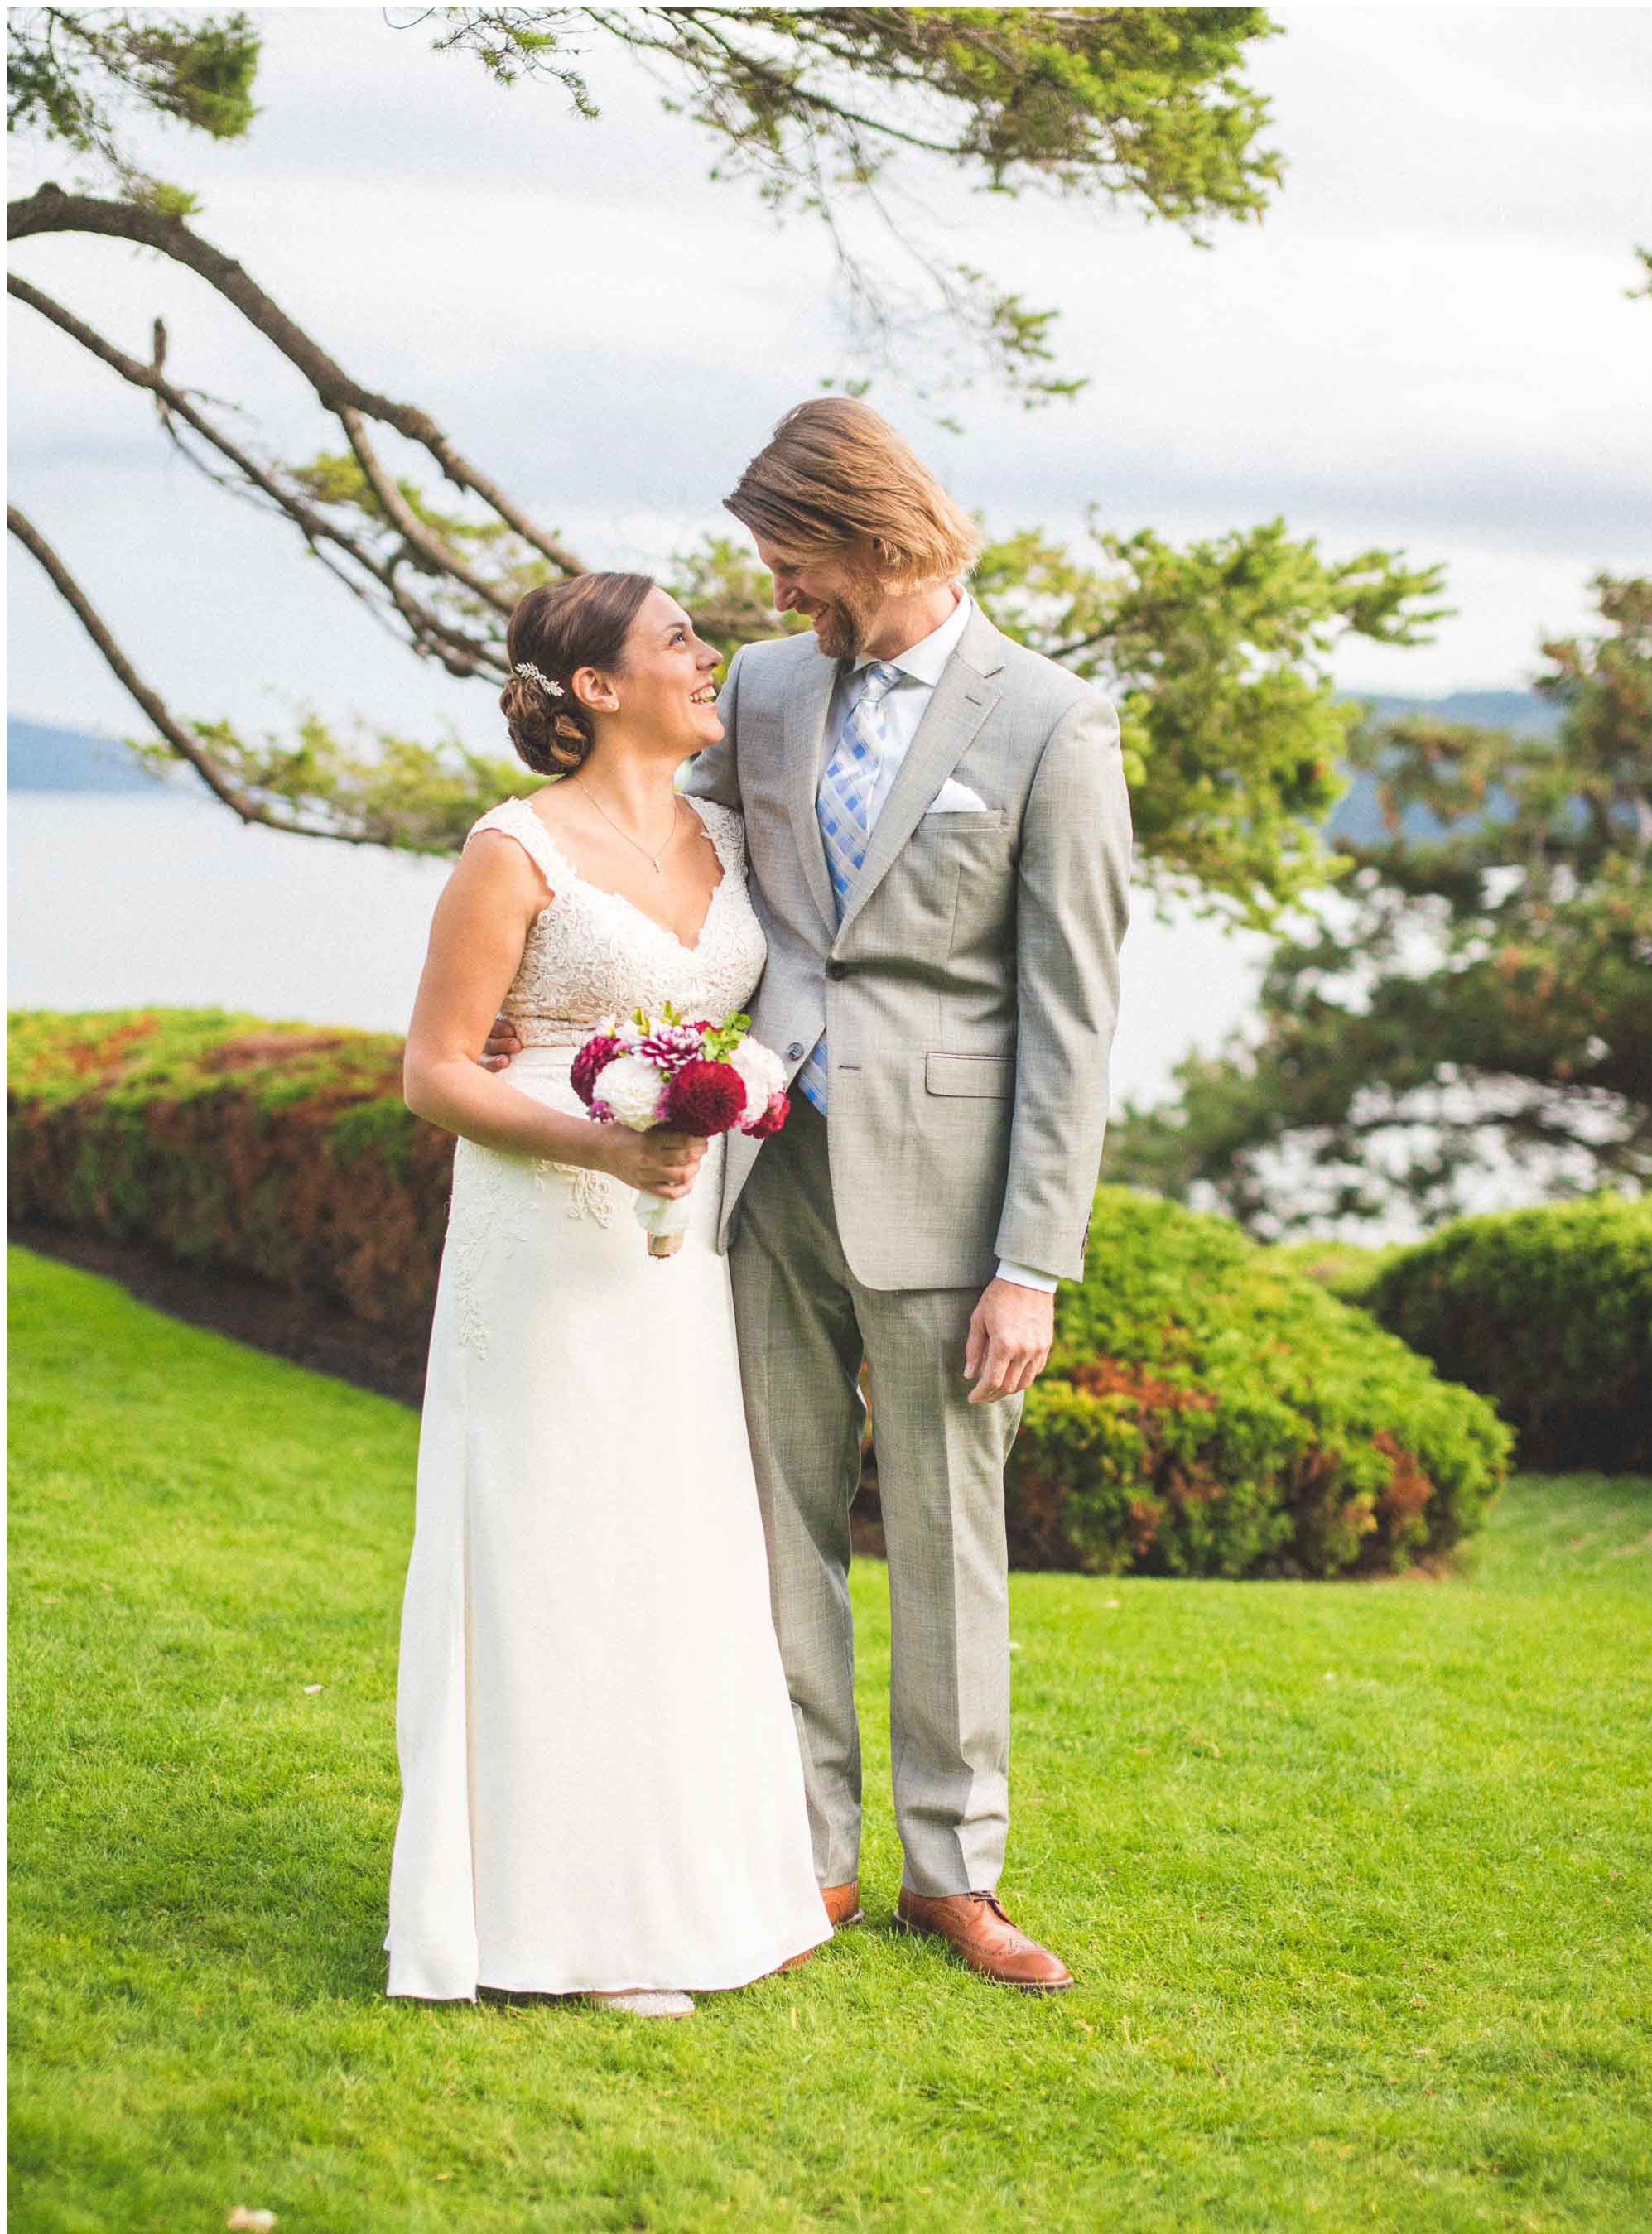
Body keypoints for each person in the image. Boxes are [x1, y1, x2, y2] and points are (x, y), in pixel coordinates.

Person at [489, 400, 1133, 1992]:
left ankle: (954, 1872)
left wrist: (1033, 1263)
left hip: (953, 1204)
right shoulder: (769, 692)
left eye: (795, 561)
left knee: (946, 1536)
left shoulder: (1052, 721)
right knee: (774, 1521)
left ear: (875, 534)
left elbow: (1073, 1015)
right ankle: (804, 1848)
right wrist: (533, 984)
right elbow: (642, 837)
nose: (774, 596)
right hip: (761, 1176)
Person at [383, 569, 833, 2018]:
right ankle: (559, 1923)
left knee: (672, 1542)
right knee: (555, 1543)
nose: (710, 656)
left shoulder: (728, 834)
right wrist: (602, 1144)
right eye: (678, 639)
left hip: (680, 1241)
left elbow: (763, 1003)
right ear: (596, 687)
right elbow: (434, 1071)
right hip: (546, 1230)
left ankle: (694, 1888)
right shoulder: (512, 850)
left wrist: (729, 1097)